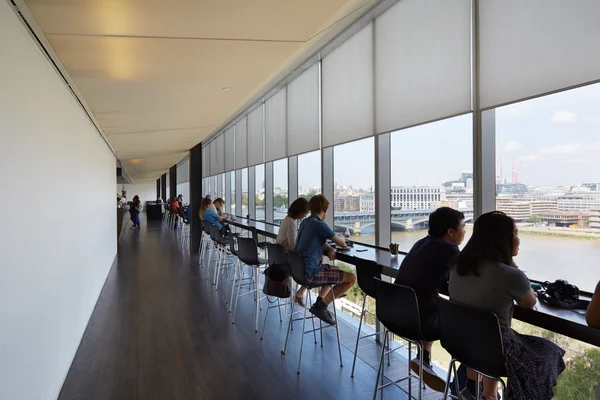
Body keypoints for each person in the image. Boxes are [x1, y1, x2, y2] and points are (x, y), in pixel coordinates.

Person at [449, 211, 565, 400]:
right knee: (549, 352)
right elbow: (529, 302)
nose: (518, 239)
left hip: (461, 343)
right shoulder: (509, 275)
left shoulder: (458, 267)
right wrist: (511, 265)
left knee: (486, 337)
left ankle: (481, 392)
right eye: (516, 233)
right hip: (496, 350)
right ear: (504, 240)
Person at [394, 207, 466, 392]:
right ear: (450, 232)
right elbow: (464, 278)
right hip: (419, 322)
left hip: (395, 314)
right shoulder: (450, 249)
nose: (465, 232)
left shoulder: (421, 242)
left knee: (430, 302)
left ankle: (424, 358)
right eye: (463, 227)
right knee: (471, 331)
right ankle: (463, 388)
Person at [295, 195, 356, 325]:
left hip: (299, 271)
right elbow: (342, 244)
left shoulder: (305, 222)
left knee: (335, 269)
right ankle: (321, 307)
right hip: (311, 273)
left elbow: (319, 242)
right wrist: (341, 238)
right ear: (325, 209)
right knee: (351, 278)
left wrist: (330, 249)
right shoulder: (319, 224)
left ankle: (320, 301)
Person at [275, 198, 310, 306]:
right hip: (286, 262)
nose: (304, 216)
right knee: (314, 265)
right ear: (300, 211)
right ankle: (300, 292)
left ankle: (300, 292)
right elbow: (293, 246)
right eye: (304, 213)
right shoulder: (291, 222)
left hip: (279, 258)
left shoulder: (287, 219)